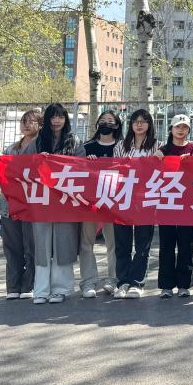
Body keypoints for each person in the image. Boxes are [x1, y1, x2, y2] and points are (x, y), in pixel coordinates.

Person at [32, 103, 84, 304]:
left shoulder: (74, 141)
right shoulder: (38, 141)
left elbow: (82, 167)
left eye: (60, 117)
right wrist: (38, 159)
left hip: (65, 200)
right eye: (53, 117)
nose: (56, 121)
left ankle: (61, 289)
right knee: (42, 245)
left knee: (64, 243)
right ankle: (41, 290)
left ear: (65, 119)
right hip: (42, 200)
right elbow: (24, 163)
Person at [0, 108, 41, 300]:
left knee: (31, 247)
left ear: (40, 125)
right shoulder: (11, 149)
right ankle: (13, 286)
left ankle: (29, 285)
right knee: (12, 247)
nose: (26, 125)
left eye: (31, 121)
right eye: (23, 121)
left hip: (32, 205)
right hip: (9, 204)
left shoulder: (41, 148)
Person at [113, 108, 163, 299]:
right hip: (123, 197)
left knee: (143, 243)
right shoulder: (121, 145)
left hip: (146, 198)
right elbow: (114, 169)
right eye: (135, 121)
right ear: (131, 124)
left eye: (143, 121)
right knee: (122, 243)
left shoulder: (157, 145)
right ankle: (123, 282)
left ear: (149, 124)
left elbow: (161, 170)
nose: (139, 124)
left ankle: (137, 282)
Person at [80, 111, 123, 297]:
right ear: (97, 124)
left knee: (114, 242)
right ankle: (88, 281)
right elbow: (76, 170)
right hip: (90, 201)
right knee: (86, 242)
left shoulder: (122, 147)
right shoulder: (87, 147)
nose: (106, 123)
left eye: (110, 121)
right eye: (103, 120)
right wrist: (86, 163)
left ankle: (114, 279)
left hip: (114, 200)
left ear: (117, 125)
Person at [157, 114, 193, 298]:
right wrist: (157, 159)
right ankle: (166, 285)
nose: (181, 130)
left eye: (184, 127)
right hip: (166, 202)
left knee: (185, 244)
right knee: (166, 244)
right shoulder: (163, 149)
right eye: (177, 127)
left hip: (187, 202)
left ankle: (184, 284)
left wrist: (191, 163)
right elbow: (153, 172)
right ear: (171, 129)